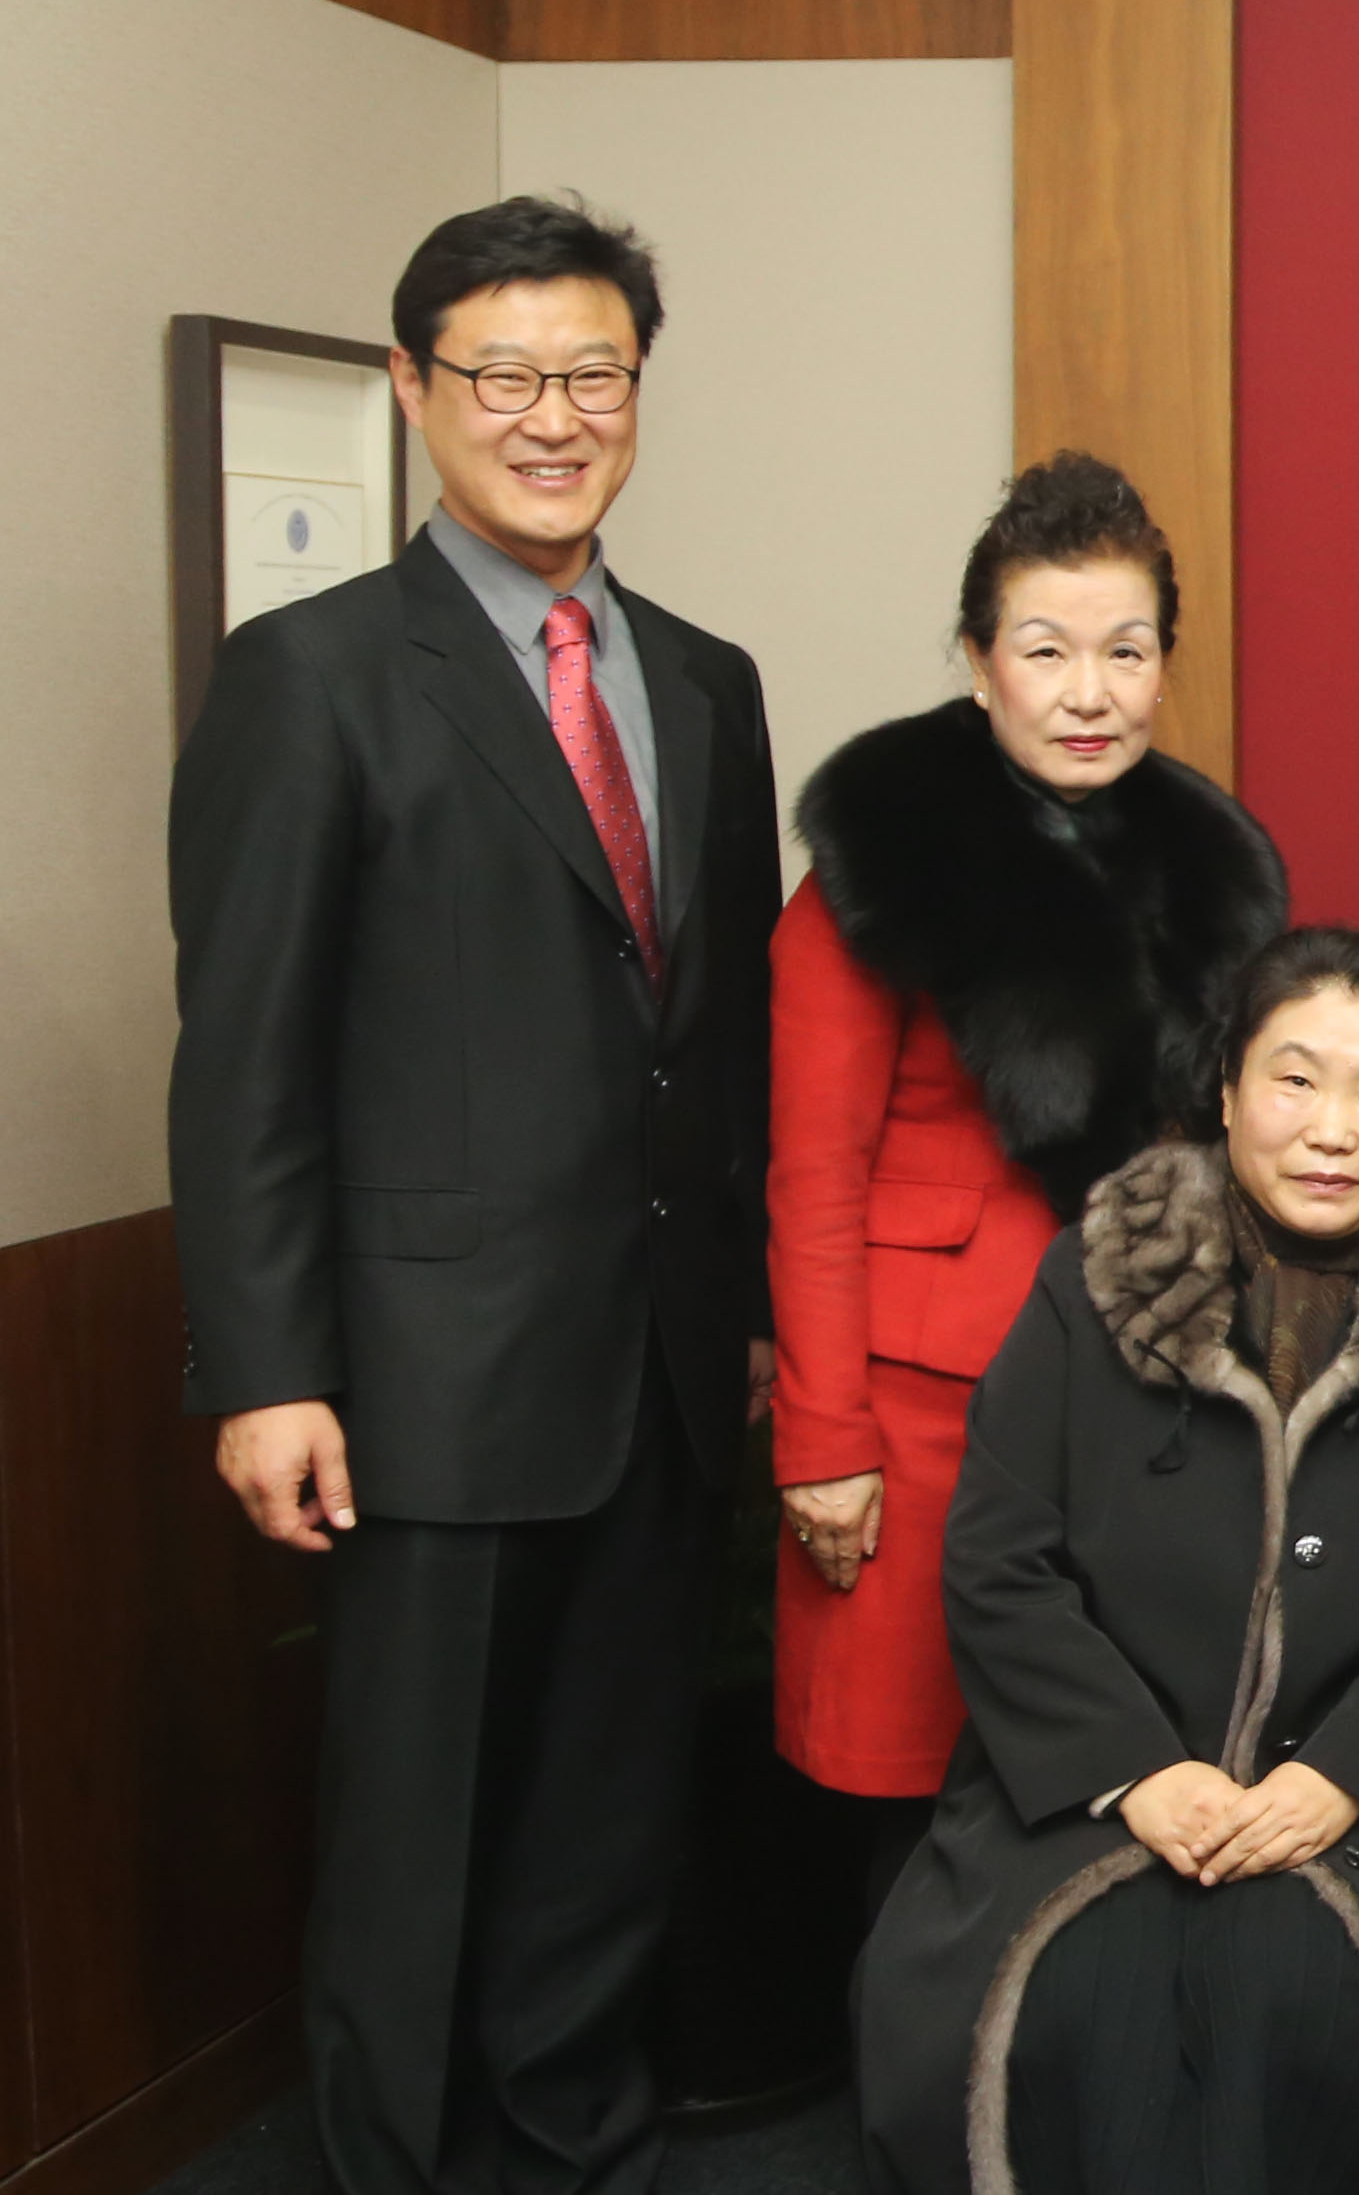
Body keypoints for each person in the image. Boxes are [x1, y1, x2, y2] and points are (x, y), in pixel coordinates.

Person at [170, 197, 778, 2192]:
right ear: (415, 390)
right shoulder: (314, 678)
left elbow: (723, 1040)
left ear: (638, 391)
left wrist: (750, 1313)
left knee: (611, 1819)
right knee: (416, 1833)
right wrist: (268, 1370)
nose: (552, 416)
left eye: (592, 373)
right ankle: (396, 2165)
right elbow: (246, 1052)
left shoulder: (705, 682)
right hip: (425, 1373)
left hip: (661, 1367)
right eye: (504, 375)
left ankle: (574, 2143)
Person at [854, 927, 1359, 2195]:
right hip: (1095, 1788)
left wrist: (1344, 1777)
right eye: (1295, 1080)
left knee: (1294, 1995)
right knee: (1089, 1993)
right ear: (1227, 1091)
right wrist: (1137, 1772)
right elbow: (1002, 1561)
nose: (1332, 1131)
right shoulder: (1096, 1272)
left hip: (1354, 1807)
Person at [767, 453, 1287, 1871]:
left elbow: (1273, 1114)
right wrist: (824, 1442)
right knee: (899, 1801)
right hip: (918, 1402)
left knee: (1096, 1797)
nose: (1088, 691)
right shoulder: (884, 858)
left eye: (1126, 651)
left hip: (1138, 1390)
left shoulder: (1205, 862)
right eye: (1046, 650)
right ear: (977, 657)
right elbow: (810, 1175)